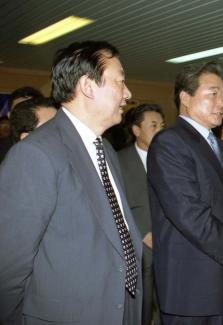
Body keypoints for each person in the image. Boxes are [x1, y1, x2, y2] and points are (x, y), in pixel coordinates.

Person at [0, 41, 143, 324]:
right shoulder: (35, 154)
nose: (128, 93)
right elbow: (8, 267)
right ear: (89, 87)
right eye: (120, 81)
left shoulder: (107, 151)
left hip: (118, 310)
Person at [147, 61, 223, 325]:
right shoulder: (169, 142)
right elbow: (188, 213)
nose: (222, 103)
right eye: (213, 94)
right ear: (185, 98)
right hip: (192, 286)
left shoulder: (218, 145)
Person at [118, 103, 165, 325]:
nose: (160, 130)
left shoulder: (171, 158)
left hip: (170, 241)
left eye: (162, 125)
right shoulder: (119, 160)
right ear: (136, 130)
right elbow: (117, 202)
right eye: (153, 125)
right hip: (139, 242)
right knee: (143, 306)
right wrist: (143, 231)